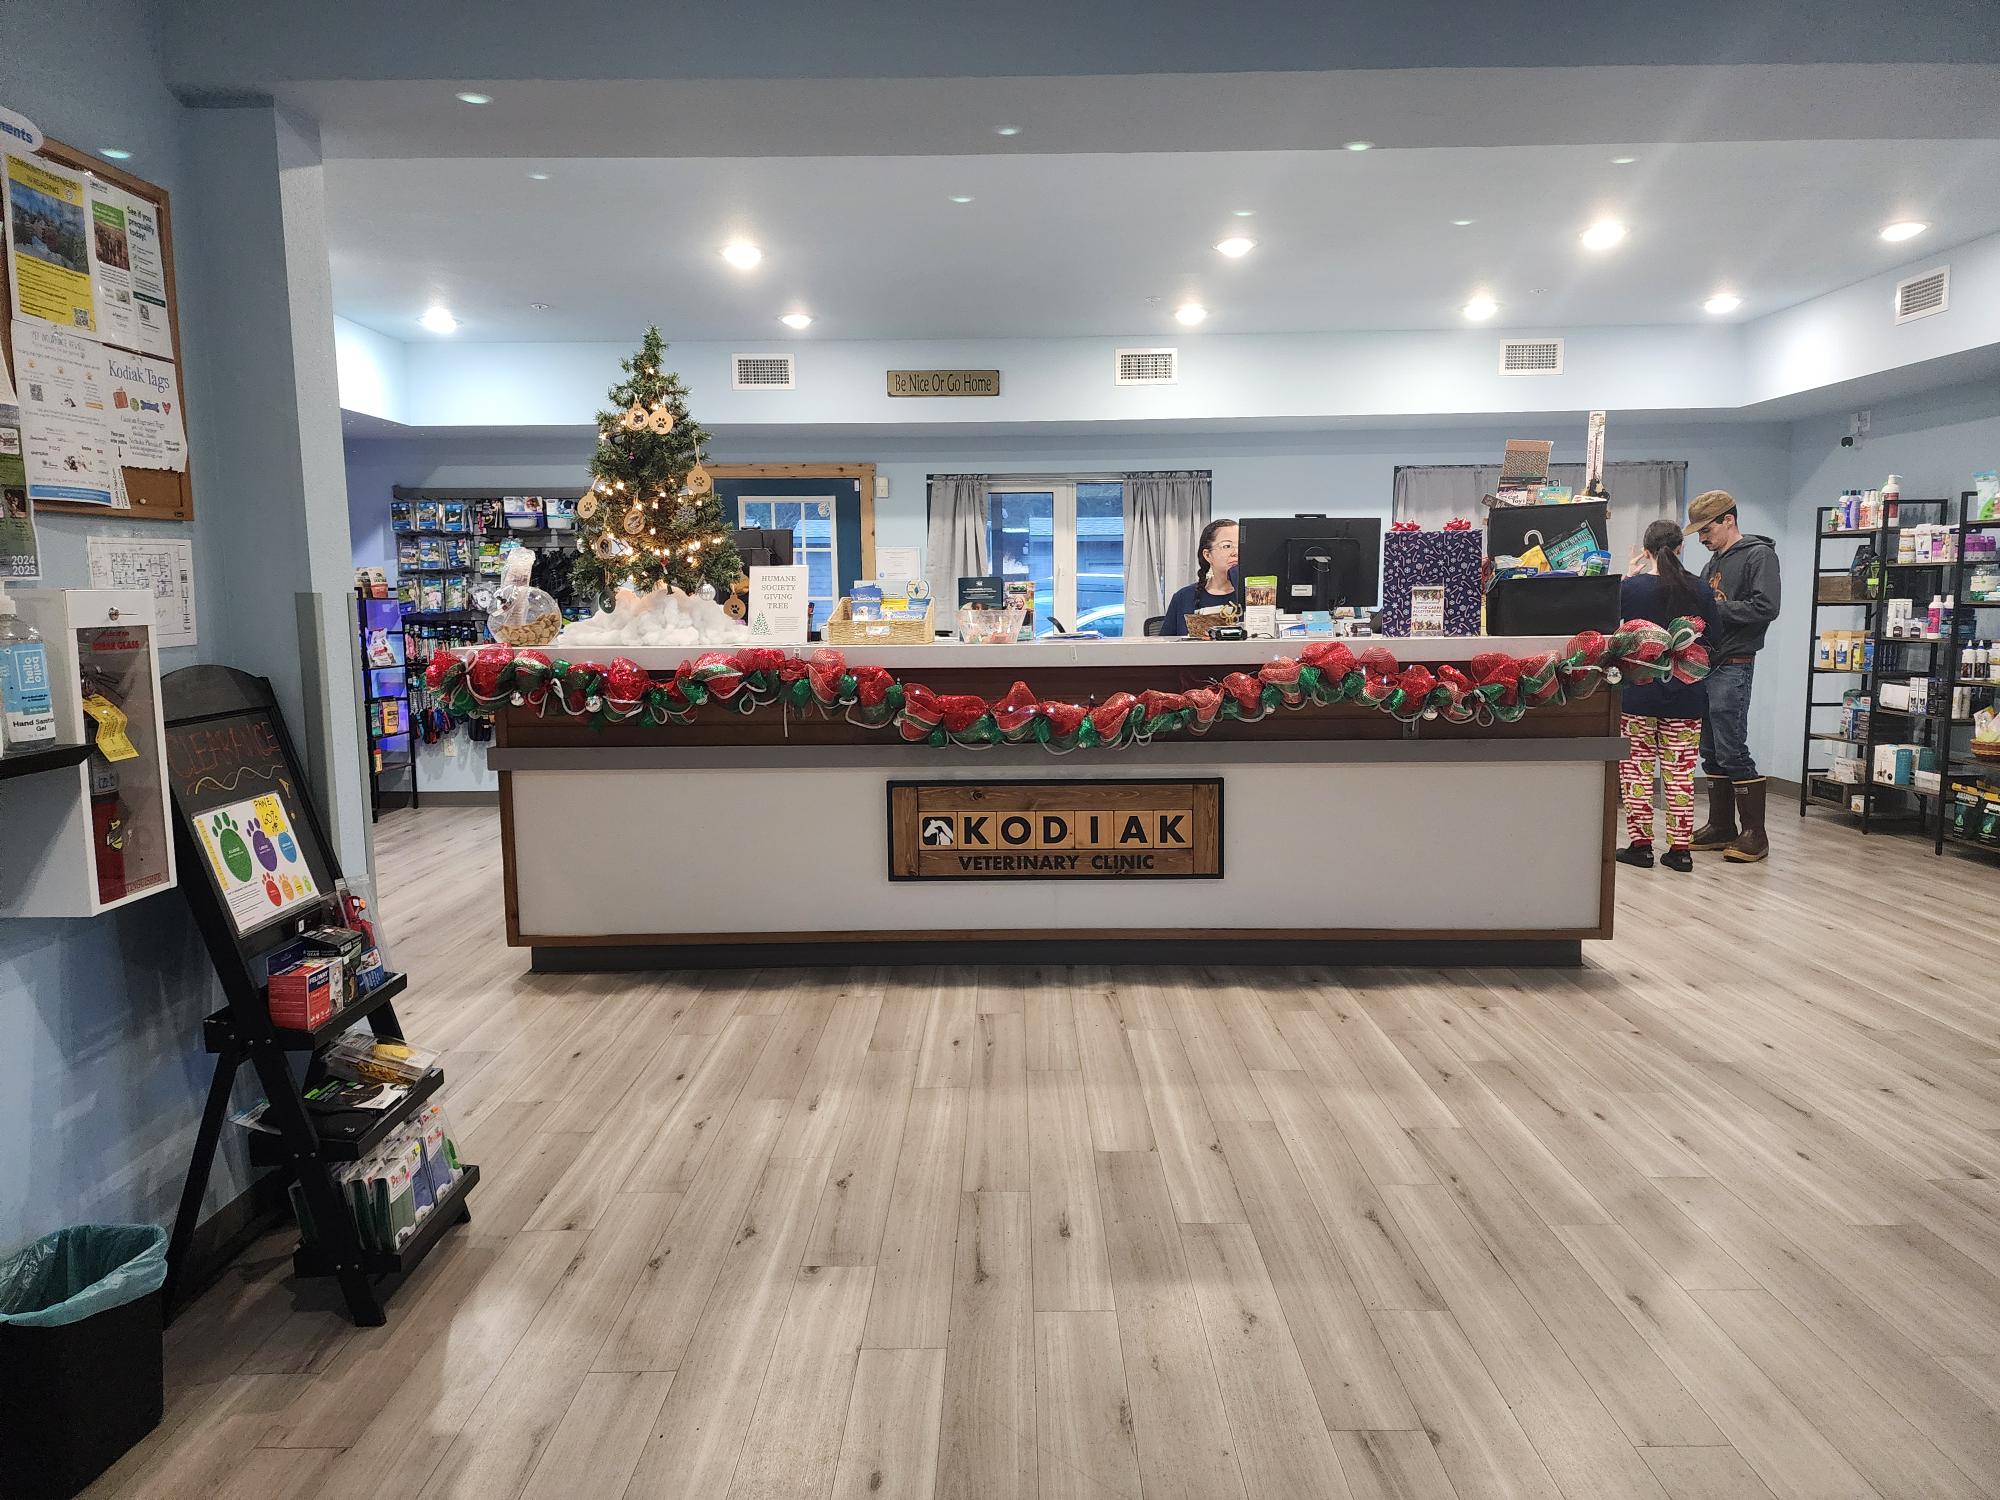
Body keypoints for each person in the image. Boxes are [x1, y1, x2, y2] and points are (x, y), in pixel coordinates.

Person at [1685, 489, 1782, 863]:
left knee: (1731, 748)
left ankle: (1755, 834)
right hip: (1708, 664)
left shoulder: (1760, 555)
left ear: (1729, 520)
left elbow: (1766, 607)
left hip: (1735, 663)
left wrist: (1713, 608)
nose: (1702, 539)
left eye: (1706, 530)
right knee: (1709, 750)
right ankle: (1721, 826)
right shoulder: (1714, 563)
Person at [1617, 520, 1718, 872]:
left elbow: (1614, 638)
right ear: (1680, 548)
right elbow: (1714, 640)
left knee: (1637, 772)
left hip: (1638, 695)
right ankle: (1680, 850)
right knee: (1680, 775)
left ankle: (1641, 846)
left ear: (1646, 552)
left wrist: (1629, 577)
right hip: (1686, 696)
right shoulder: (1701, 589)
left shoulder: (1631, 590)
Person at [1160, 518, 1240, 635]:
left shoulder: (1253, 597)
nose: (1235, 552)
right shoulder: (1183, 597)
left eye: (1240, 545)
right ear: (1208, 555)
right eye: (1227, 546)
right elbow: (1164, 646)